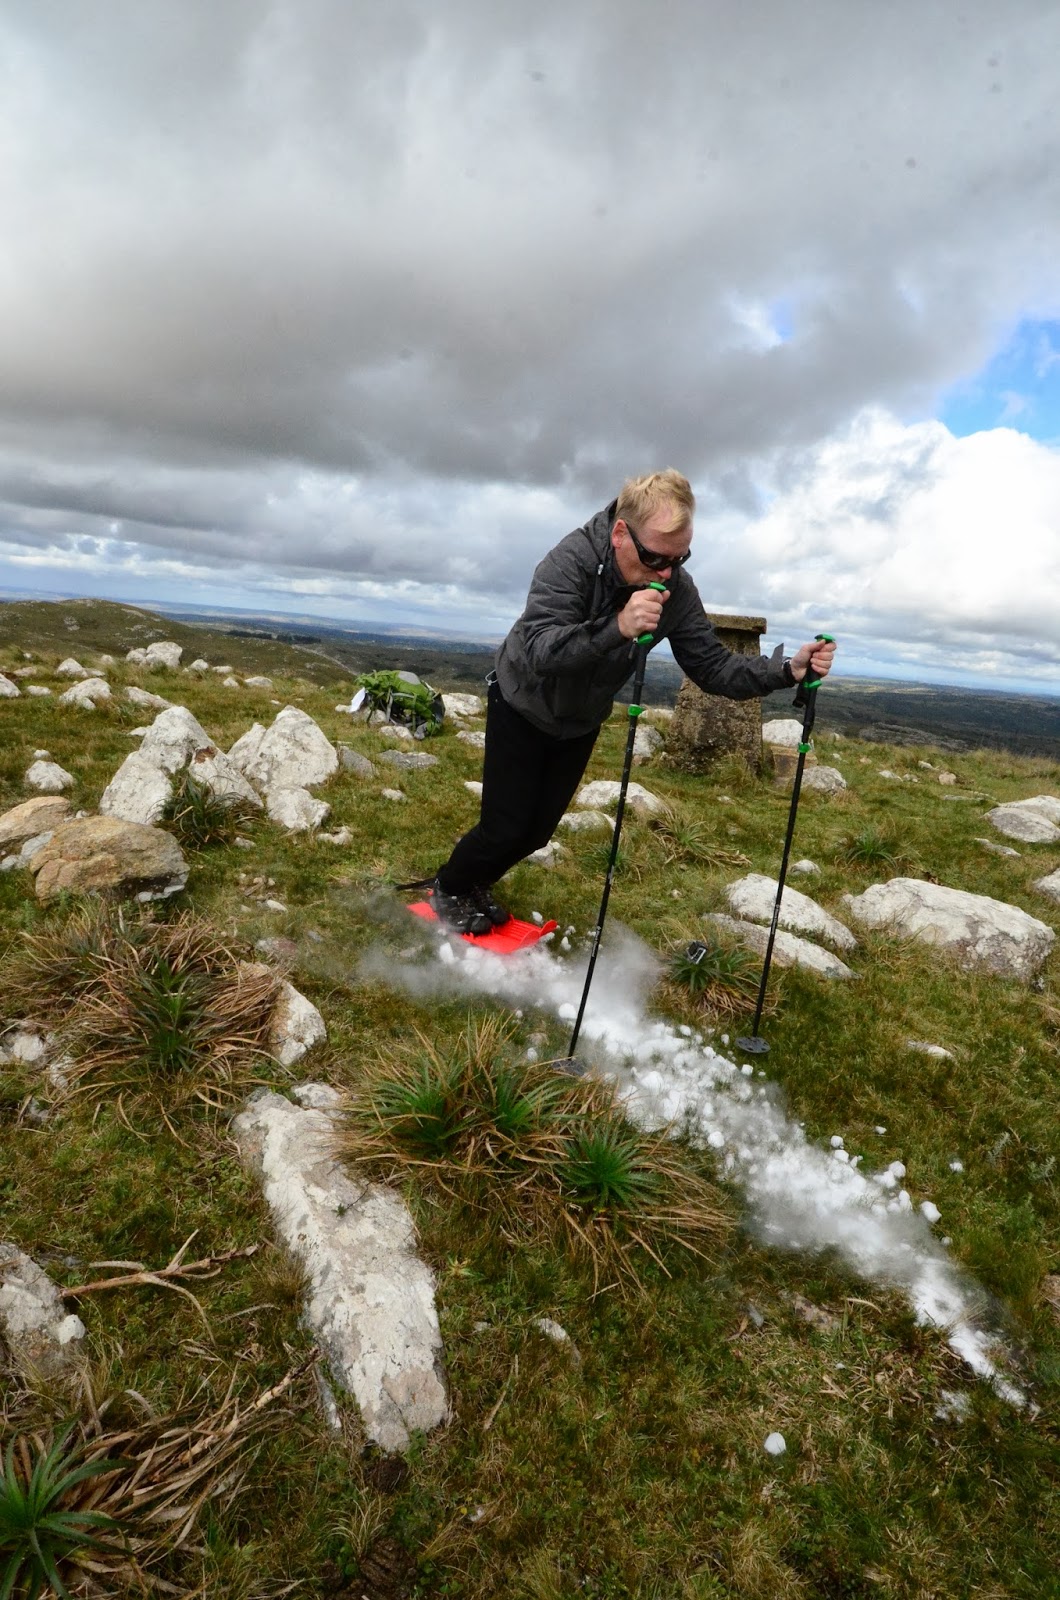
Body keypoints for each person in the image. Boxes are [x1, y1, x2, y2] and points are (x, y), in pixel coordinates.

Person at [429, 469, 836, 934]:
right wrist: (617, 626)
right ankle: (450, 886)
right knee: (504, 827)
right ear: (621, 533)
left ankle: (477, 880)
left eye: (680, 558)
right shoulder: (570, 561)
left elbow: (712, 667)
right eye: (656, 557)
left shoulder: (675, 588)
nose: (666, 572)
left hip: (580, 721)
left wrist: (787, 671)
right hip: (522, 703)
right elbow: (542, 648)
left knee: (537, 832)